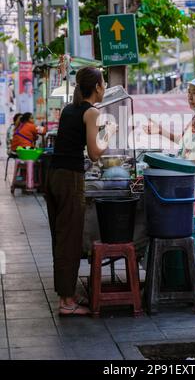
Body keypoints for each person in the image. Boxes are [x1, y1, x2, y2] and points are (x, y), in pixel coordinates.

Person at [45, 66, 117, 317]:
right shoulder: (92, 112)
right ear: (97, 87)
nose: (105, 87)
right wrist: (109, 132)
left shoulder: (69, 109)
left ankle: (67, 294)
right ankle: (66, 302)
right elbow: (95, 153)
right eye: (103, 83)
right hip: (69, 179)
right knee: (70, 239)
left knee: (61, 236)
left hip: (54, 175)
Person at [144, 76, 195, 214]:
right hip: (184, 183)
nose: (189, 97)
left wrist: (178, 165)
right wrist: (160, 131)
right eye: (188, 92)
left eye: (194, 93)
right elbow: (184, 142)